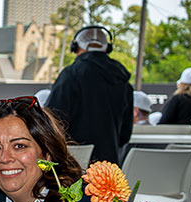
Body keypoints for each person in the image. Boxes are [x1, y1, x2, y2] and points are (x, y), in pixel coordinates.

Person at [45, 25, 133, 165]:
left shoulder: (71, 74)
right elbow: (124, 135)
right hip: (109, 169)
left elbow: (52, 121)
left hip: (74, 168)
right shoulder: (123, 81)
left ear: (76, 48)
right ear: (106, 49)